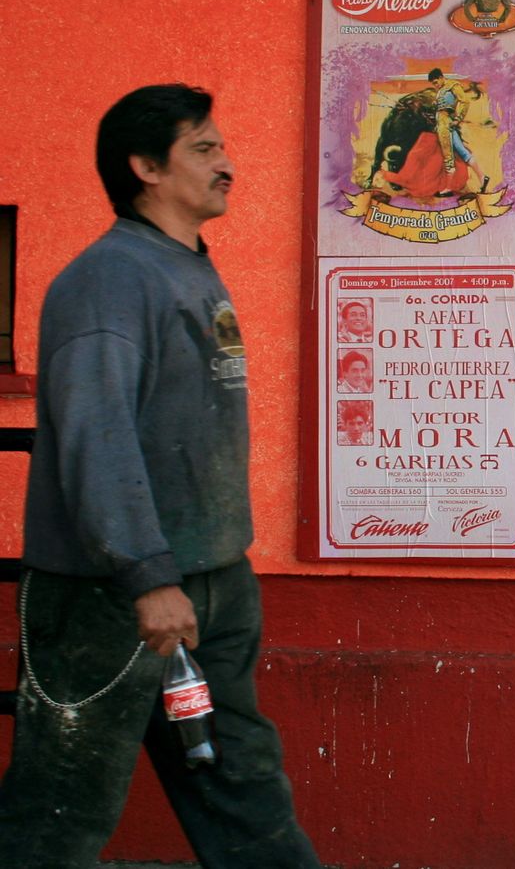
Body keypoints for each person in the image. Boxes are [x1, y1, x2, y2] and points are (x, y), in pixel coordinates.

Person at [0, 84, 321, 867]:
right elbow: (94, 437)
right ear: (145, 167)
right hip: (111, 599)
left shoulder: (182, 269)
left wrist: (206, 575)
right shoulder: (108, 281)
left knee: (243, 792)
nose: (229, 165)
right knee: (60, 812)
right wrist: (149, 577)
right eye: (204, 150)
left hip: (208, 580)